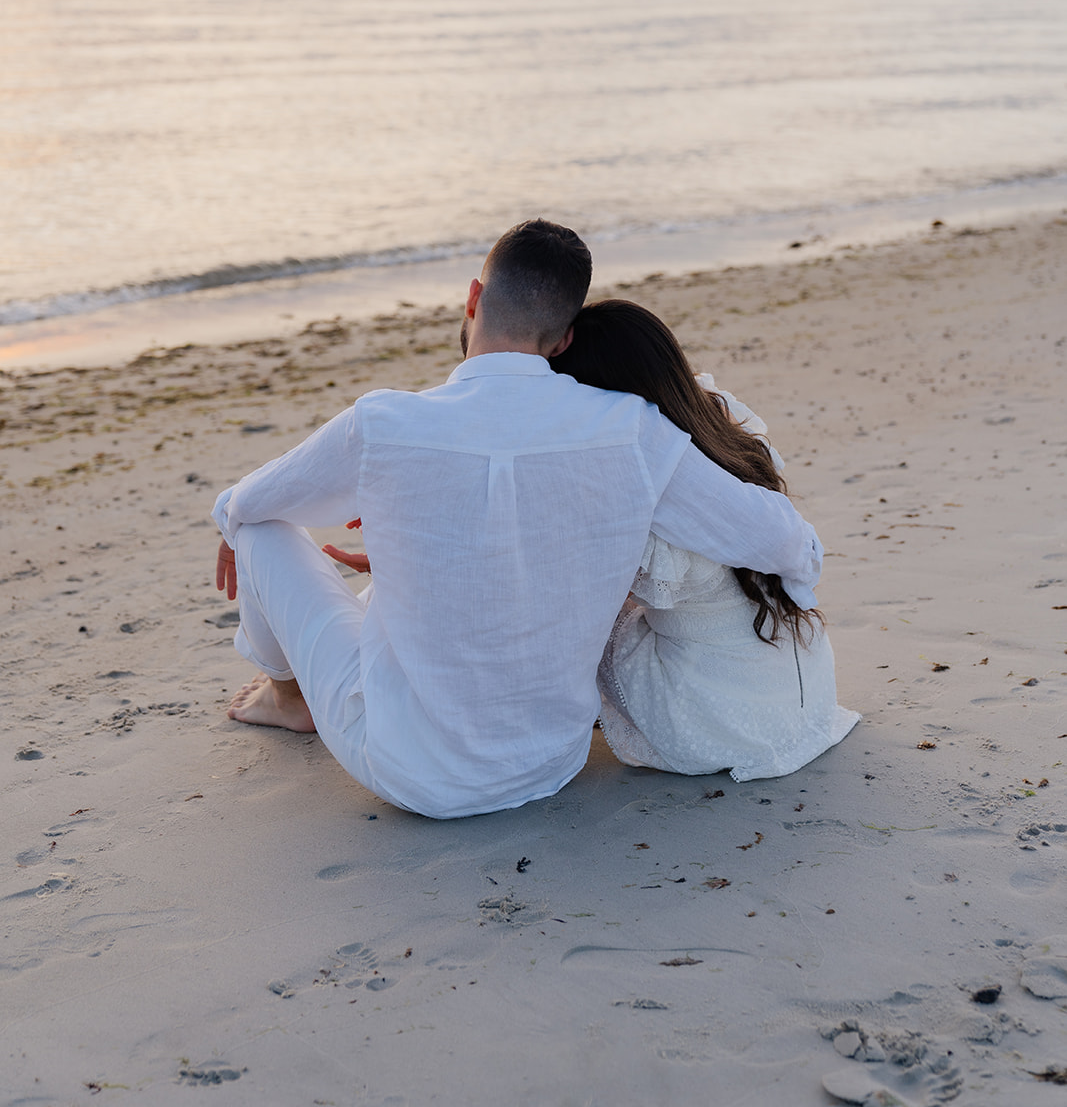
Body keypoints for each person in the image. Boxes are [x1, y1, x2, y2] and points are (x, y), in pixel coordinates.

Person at [213, 218, 824, 820]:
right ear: (561, 342)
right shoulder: (633, 432)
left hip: (411, 773)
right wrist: (799, 575)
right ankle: (298, 689)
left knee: (258, 529)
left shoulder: (384, 424)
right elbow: (784, 539)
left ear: (473, 298)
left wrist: (231, 523)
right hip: (552, 764)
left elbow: (245, 502)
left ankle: (287, 696)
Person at [551, 300, 860, 780]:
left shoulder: (650, 489)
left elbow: (600, 601)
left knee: (597, 625)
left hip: (717, 722)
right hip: (804, 694)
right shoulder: (720, 426)